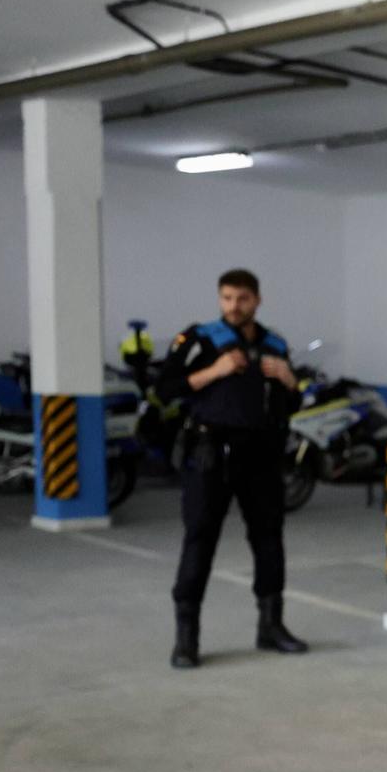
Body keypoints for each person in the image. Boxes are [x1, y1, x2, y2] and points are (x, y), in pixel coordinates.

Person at [156, 268, 307, 668]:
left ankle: (271, 627)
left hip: (261, 456)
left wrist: (291, 382)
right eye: (226, 298)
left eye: (241, 299)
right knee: (200, 540)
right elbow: (164, 389)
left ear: (257, 300)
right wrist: (215, 371)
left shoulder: (275, 345)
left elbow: (291, 406)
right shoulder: (200, 340)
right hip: (210, 455)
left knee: (269, 539)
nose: (233, 306)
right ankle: (186, 639)